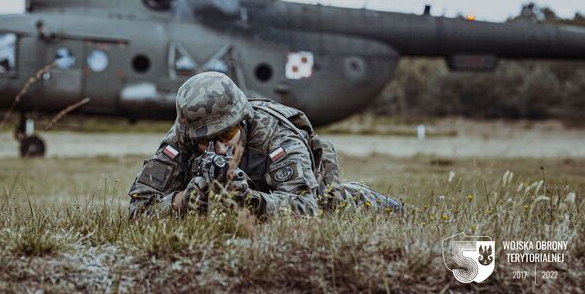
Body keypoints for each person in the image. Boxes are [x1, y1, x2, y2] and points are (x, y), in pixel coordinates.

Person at [128, 71, 402, 218]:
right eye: (205, 142)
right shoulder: (181, 137)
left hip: (307, 186)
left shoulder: (278, 135)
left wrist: (253, 202)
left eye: (226, 135)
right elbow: (138, 208)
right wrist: (181, 202)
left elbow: (306, 207)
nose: (219, 148)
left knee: (333, 203)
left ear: (243, 121)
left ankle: (394, 208)